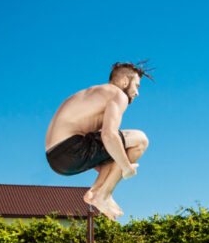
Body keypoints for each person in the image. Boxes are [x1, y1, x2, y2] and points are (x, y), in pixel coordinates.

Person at [45, 62, 152, 221]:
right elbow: (109, 136)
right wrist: (126, 168)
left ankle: (96, 194)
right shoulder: (117, 94)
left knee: (116, 151)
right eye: (136, 85)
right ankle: (103, 194)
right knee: (140, 140)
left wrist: (115, 166)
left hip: (55, 158)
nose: (137, 93)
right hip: (71, 147)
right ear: (124, 81)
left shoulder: (92, 94)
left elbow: (105, 147)